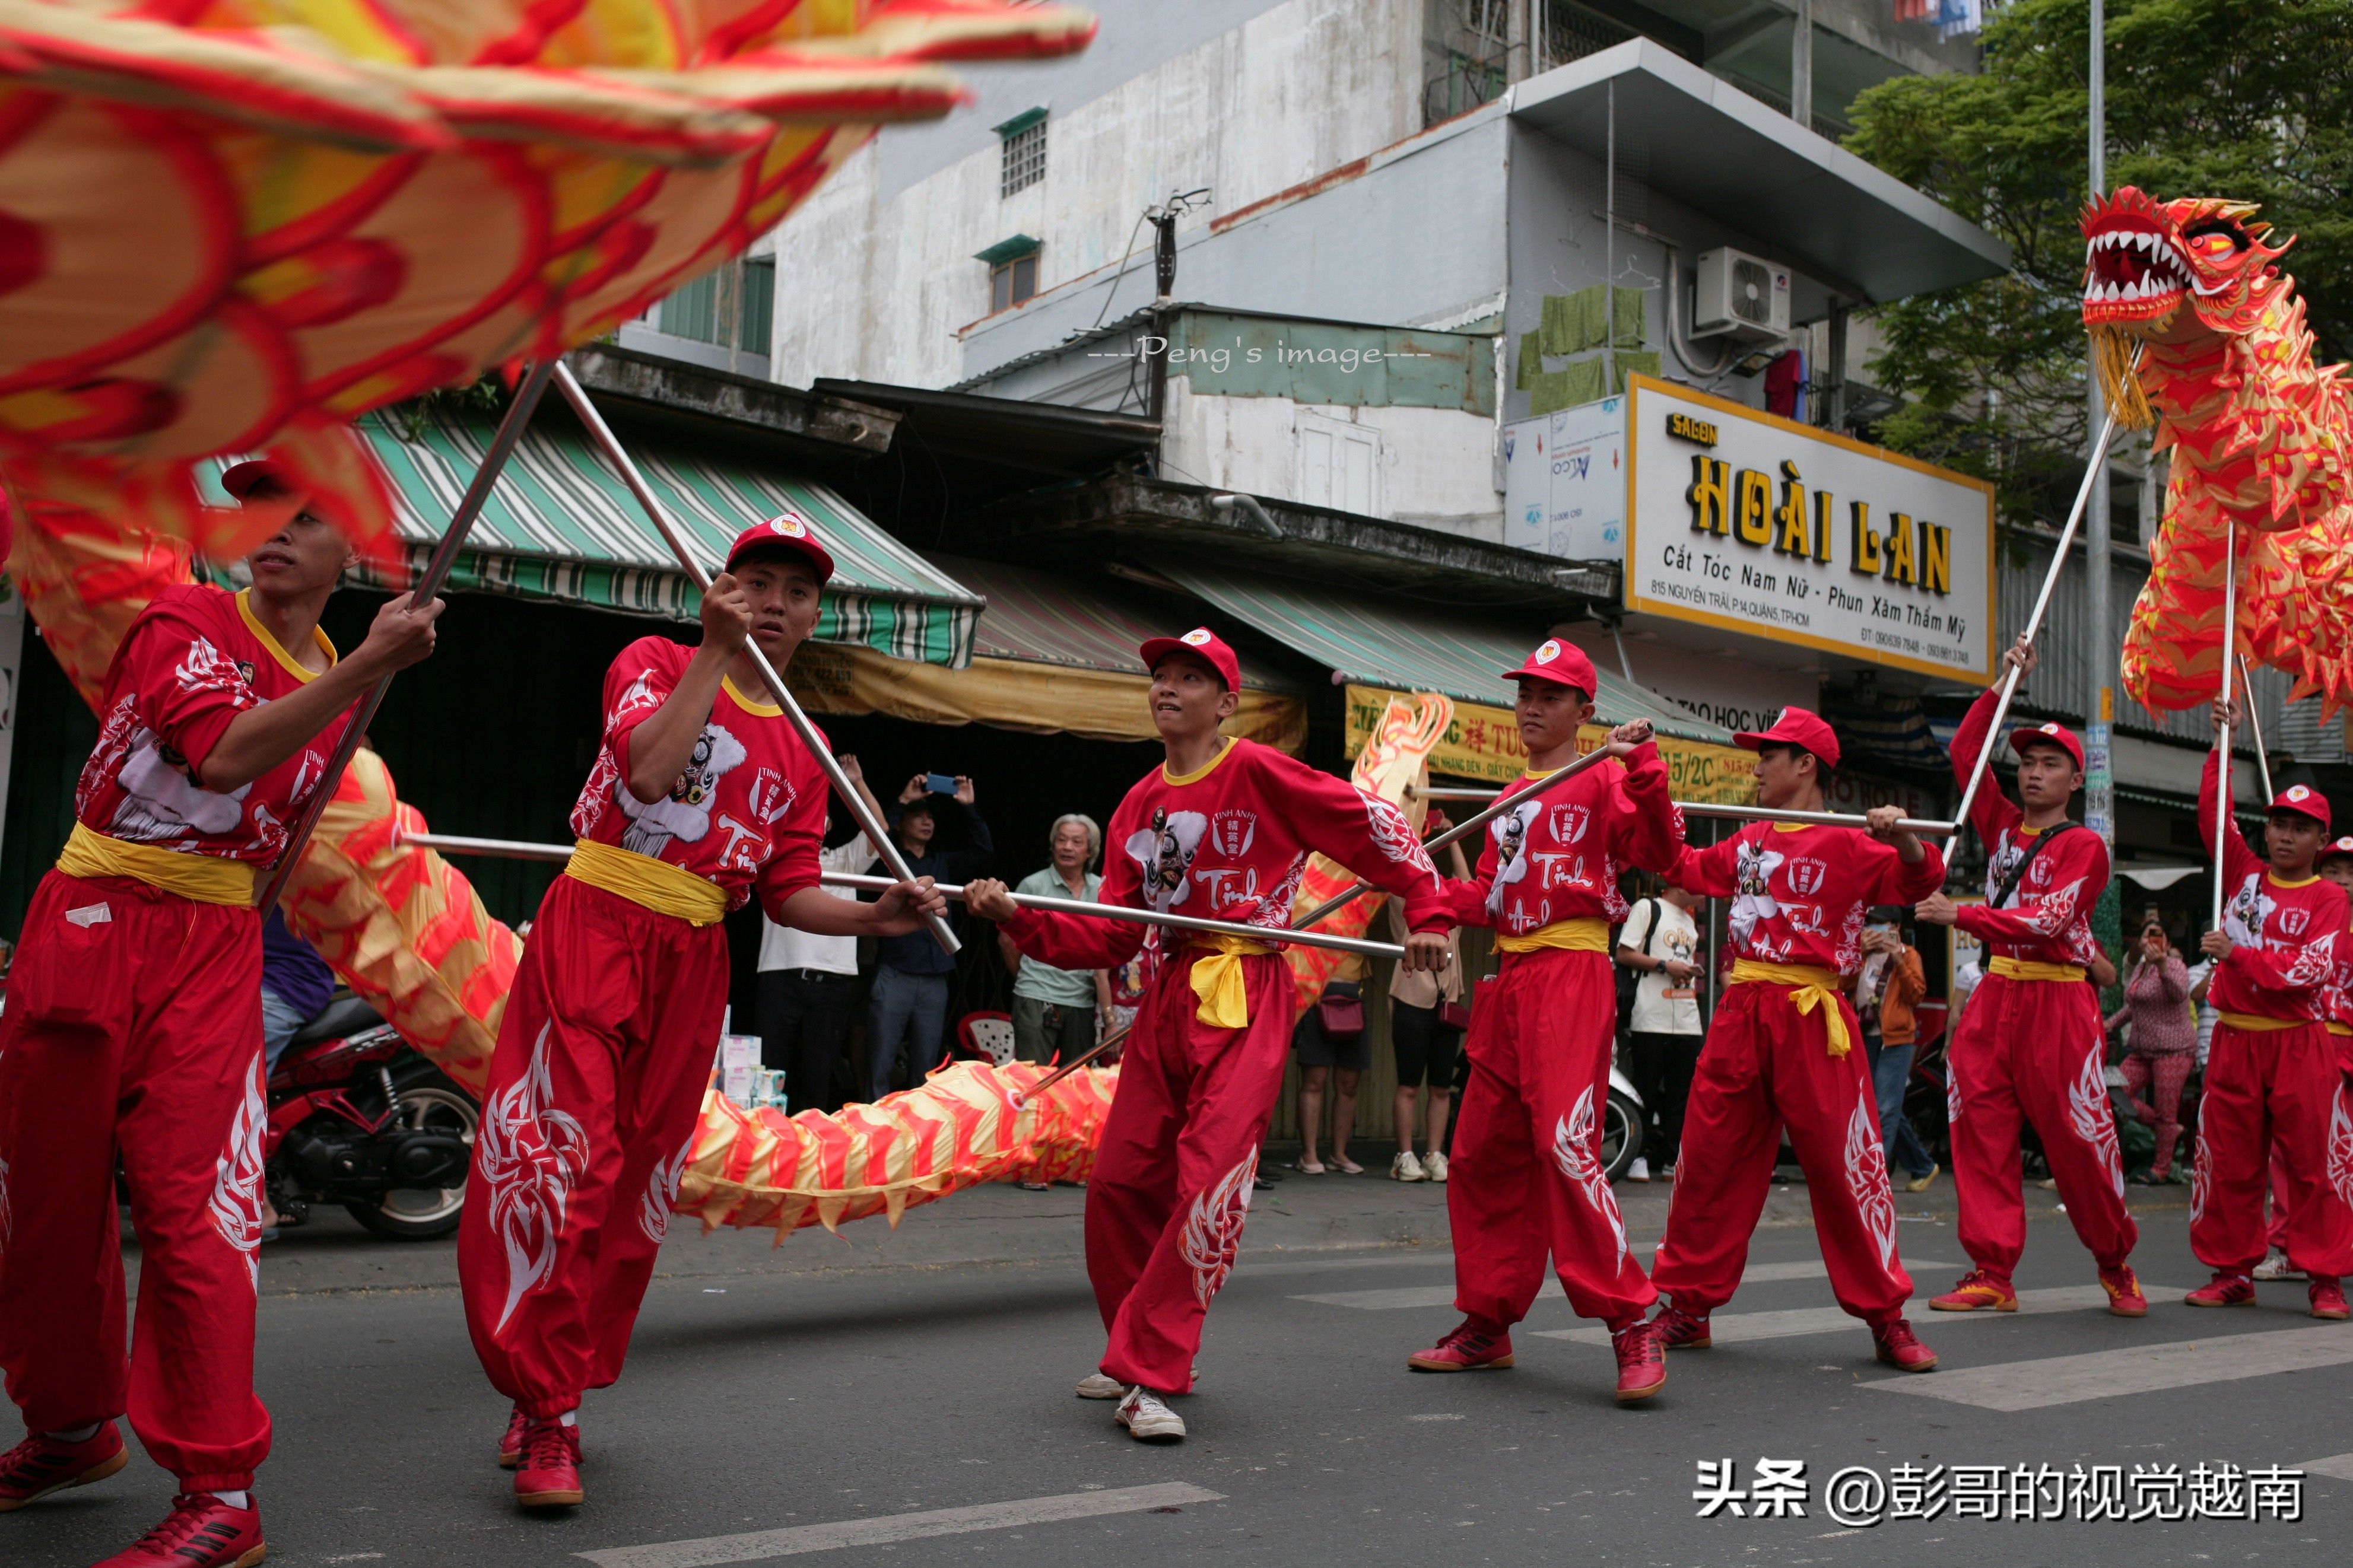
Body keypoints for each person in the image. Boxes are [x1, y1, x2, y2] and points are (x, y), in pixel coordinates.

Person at [0, 460, 442, 1566]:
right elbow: (225, 752)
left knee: (203, 1213)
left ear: (357, 553)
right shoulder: (185, 615)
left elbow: (286, 824)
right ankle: (67, 1425)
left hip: (213, 952)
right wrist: (372, 670)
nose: (276, 532)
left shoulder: (343, 666)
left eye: (307, 518)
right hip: (93, 913)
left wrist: (369, 672)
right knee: (46, 1201)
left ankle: (220, 1490)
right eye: (260, 512)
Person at [456, 515, 945, 1510]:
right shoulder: (653, 660)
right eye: (755, 581)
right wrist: (714, 653)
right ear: (717, 589)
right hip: (596, 923)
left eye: (795, 591)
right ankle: (549, 1410)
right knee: (564, 1164)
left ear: (818, 614)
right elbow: (642, 771)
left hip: (695, 956)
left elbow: (788, 889)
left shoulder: (805, 748)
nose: (774, 603)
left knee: (636, 1190)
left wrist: (879, 915)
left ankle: (557, 1386)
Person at [962, 626, 1452, 1444]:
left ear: (1225, 702)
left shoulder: (1259, 770)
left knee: (1206, 1186)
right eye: (1160, 675)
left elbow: (1373, 825)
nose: (1168, 688)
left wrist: (1429, 910)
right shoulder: (1136, 803)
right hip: (1164, 998)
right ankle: (1138, 1348)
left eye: (1189, 677)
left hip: (1246, 993)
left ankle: (1149, 1368)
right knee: (1120, 1182)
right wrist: (1021, 917)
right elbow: (1114, 936)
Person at [1404, 638, 1683, 1405]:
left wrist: (1645, 773)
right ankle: (1487, 1322)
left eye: (1550, 696)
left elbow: (1662, 850)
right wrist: (1425, 900)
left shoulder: (1600, 775)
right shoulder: (1505, 800)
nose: (1531, 706)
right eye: (1525, 692)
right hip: (1509, 978)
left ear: (1583, 712)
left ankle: (1632, 1318)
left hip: (1572, 973)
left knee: (1565, 1146)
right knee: (1478, 1154)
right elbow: (1489, 897)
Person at [1648, 708, 1947, 1374]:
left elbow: (1919, 883)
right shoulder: (1748, 839)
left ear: (1804, 764)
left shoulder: (1849, 840)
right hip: (1738, 1013)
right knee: (1707, 1161)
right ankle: (1686, 1307)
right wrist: (1646, 785)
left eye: (1767, 756)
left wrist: (1899, 838)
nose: (1755, 768)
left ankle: (1886, 1318)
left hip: (1814, 1017)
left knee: (1848, 1168)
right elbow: (1683, 865)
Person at [1914, 635, 2144, 1318]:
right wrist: (2000, 686)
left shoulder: (2084, 847)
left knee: (2079, 1140)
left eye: (2050, 765)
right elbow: (1964, 754)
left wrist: (1964, 914)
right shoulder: (2000, 823)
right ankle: (1990, 1270)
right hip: (1994, 998)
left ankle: (2114, 1262)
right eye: (2027, 763)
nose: (2033, 774)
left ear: (2076, 781)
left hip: (2058, 1003)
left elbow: (2048, 921)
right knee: (1978, 1133)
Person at [2187, 701, 2353, 1319]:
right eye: (2276, 824)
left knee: (2314, 1165)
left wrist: (2236, 957)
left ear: (2318, 839)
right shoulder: (2244, 876)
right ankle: (2231, 1271)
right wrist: (2218, 747)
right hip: (2233, 1039)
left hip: (2299, 1041)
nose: (2283, 836)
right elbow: (2213, 817)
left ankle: (2325, 1278)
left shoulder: (2329, 898)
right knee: (2227, 1160)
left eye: (2298, 828)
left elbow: (2309, 972)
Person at [754, 753, 883, 1116]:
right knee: (768, 1075)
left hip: (834, 984)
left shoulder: (845, 861)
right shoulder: (772, 853)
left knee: (817, 1079)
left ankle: (810, 1161)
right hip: (780, 976)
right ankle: (762, 1153)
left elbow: (878, 830)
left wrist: (856, 783)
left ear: (826, 825)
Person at [865, 775, 992, 1101]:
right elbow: (875, 839)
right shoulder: (887, 861)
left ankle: (919, 1139)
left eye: (931, 817)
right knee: (879, 1063)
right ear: (904, 822)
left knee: (925, 1071)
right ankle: (869, 1135)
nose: (926, 821)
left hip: (935, 980)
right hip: (895, 974)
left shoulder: (942, 863)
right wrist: (903, 802)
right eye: (918, 815)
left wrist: (969, 807)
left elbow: (983, 849)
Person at [1386, 825, 1468, 1183]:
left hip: (1446, 1006)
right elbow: (1397, 876)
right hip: (1411, 1001)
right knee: (1408, 1085)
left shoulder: (1453, 913)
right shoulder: (1408, 908)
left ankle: (1435, 1154)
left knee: (1440, 1086)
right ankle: (1404, 1156)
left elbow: (1466, 881)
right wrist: (1416, 834)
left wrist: (1453, 838)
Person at [1002, 815, 1112, 1068]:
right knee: (1032, 1080)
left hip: (1082, 1001)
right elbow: (1007, 941)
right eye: (1061, 840)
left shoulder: (1102, 889)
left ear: (1090, 851)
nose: (1067, 847)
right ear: (1053, 846)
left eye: (1076, 842)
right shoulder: (1033, 885)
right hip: (1035, 997)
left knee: (1076, 1082)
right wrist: (1030, 980)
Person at [1618, 885, 1704, 1184]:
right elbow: (1624, 953)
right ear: (1683, 885)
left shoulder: (1690, 920)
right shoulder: (1647, 908)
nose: (1706, 892)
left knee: (1682, 1094)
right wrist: (1665, 965)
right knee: (1645, 1091)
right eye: (1701, 884)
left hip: (1686, 1018)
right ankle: (1635, 1156)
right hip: (1650, 1015)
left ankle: (1671, 1157)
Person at [2107, 919, 2195, 1185]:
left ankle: (2161, 1169)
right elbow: (2133, 1006)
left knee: (2166, 1110)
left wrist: (2163, 966)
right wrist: (2109, 1023)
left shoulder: (2176, 966)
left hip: (2173, 1050)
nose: (2152, 942)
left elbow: (2180, 995)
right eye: (2147, 937)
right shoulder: (2140, 970)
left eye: (2158, 937)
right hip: (2142, 1050)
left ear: (2166, 944)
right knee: (2113, 1092)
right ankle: (2167, 1130)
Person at [1862, 917, 1938, 1191]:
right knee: (1882, 1106)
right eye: (1871, 926)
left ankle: (1873, 1177)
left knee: (1884, 1108)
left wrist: (1899, 962)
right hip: (1866, 1036)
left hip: (1896, 1039)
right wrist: (1859, 951)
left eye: (1882, 927)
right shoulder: (1864, 953)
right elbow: (1843, 983)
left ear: (1896, 928)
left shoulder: (1909, 955)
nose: (1876, 932)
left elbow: (1915, 995)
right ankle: (1923, 1166)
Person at [1293, 966, 1369, 1175]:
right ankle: (1308, 1154)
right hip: (1317, 994)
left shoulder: (1359, 931)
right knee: (1315, 1080)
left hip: (1353, 997)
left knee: (1349, 1083)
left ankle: (1339, 1155)